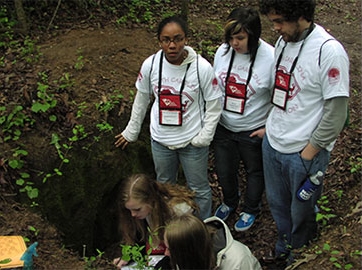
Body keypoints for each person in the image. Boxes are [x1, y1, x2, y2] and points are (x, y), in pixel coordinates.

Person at [258, 0, 349, 265]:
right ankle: (284, 243)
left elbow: (337, 112)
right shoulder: (283, 43)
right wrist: (271, 126)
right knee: (277, 204)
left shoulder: (328, 51)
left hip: (303, 151)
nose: (275, 28)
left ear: (300, 16)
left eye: (280, 21)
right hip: (274, 143)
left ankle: (300, 254)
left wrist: (310, 151)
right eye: (273, 21)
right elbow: (283, 89)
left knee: (302, 211)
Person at [115, 15, 223, 220]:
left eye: (178, 39)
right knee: (164, 187)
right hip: (161, 140)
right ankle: (168, 232)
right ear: (159, 41)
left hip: (192, 141)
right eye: (166, 40)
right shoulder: (151, 65)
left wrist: (204, 136)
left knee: (198, 189)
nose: (172, 45)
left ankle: (203, 231)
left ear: (186, 39)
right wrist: (132, 130)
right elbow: (142, 98)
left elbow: (214, 104)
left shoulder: (201, 68)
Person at [212, 7, 274, 231]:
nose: (234, 43)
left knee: (254, 171)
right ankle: (229, 202)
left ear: (253, 35)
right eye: (230, 38)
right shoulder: (224, 51)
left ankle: (251, 209)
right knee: (224, 168)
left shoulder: (271, 58)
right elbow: (213, 85)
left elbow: (282, 97)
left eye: (240, 38)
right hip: (224, 126)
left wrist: (270, 127)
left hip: (252, 128)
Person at [112, 173, 198, 269]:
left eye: (137, 209)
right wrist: (130, 255)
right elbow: (139, 240)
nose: (132, 214)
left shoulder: (178, 211)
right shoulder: (141, 214)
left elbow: (186, 252)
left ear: (151, 200)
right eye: (129, 210)